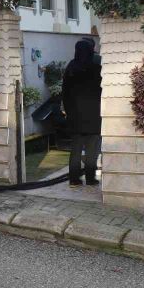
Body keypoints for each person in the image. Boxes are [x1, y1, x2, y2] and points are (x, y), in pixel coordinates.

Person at [62, 39, 102, 186]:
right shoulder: (97, 66)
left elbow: (64, 91)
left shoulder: (71, 67)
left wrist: (68, 110)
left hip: (75, 116)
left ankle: (74, 179)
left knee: (76, 149)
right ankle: (90, 179)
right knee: (92, 149)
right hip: (94, 115)